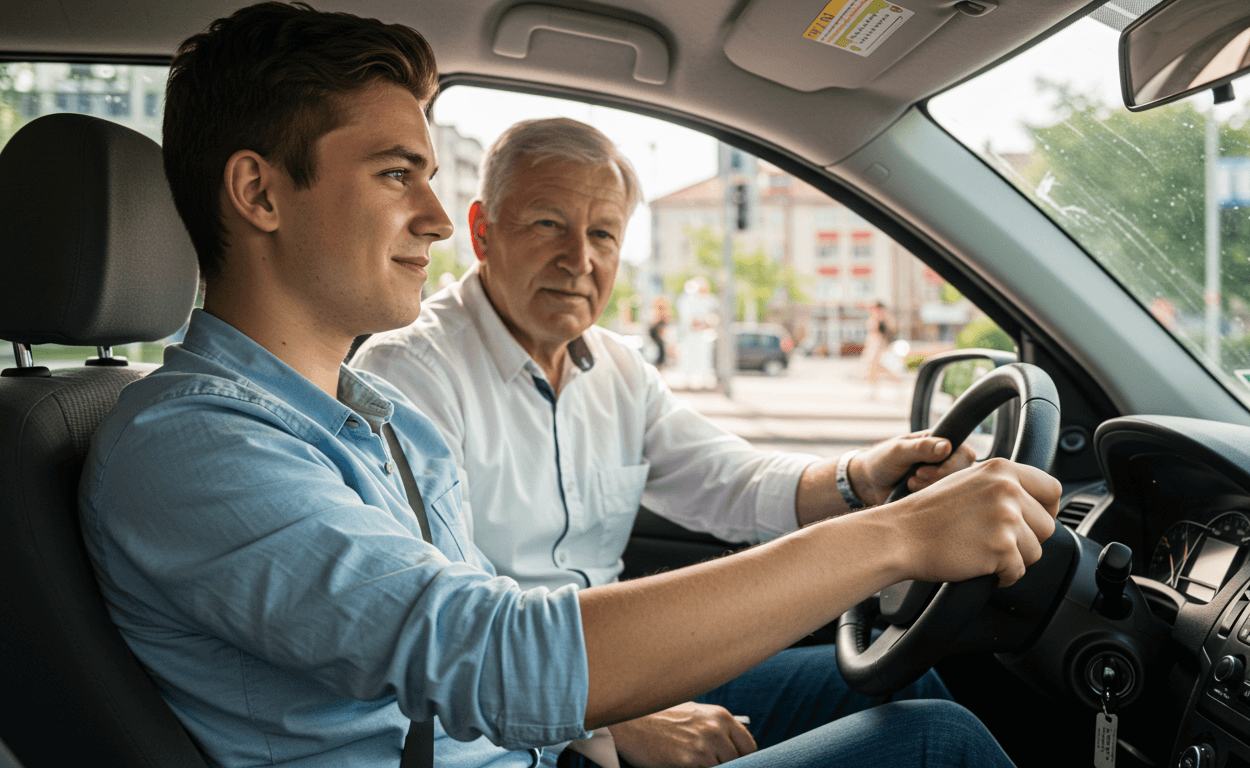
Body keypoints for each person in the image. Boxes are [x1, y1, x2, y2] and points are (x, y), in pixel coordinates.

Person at [79, 4, 1061, 768]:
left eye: (426, 177)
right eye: (394, 175)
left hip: (535, 736)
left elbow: (706, 482)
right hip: (535, 732)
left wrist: (859, 492)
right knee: (933, 746)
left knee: (918, 691)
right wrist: (889, 538)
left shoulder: (364, 419)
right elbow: (493, 653)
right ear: (258, 194)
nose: (429, 218)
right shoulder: (196, 450)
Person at [351, 117, 980, 767]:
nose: (579, 259)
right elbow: (448, 639)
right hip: (513, 734)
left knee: (904, 681)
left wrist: (858, 477)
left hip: (615, 680)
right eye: (547, 225)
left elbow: (726, 478)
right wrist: (604, 724)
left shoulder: (617, 368)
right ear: (482, 231)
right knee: (940, 741)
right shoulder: (410, 375)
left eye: (602, 234)